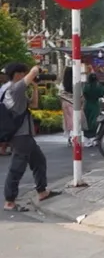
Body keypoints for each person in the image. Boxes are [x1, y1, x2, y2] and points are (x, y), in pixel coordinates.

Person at [2, 63, 60, 211]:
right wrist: (36, 69)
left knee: (39, 160)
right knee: (17, 168)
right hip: (20, 136)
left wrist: (35, 87)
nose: (25, 75)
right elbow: (33, 72)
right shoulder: (14, 88)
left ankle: (42, 192)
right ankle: (9, 201)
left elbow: (33, 105)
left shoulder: (8, 90)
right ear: (17, 74)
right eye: (23, 73)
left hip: (24, 135)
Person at [82, 73, 104, 144]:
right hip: (95, 105)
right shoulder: (99, 86)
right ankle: (93, 138)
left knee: (86, 121)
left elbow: (83, 94)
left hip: (87, 105)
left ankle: (86, 138)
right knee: (94, 121)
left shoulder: (86, 86)